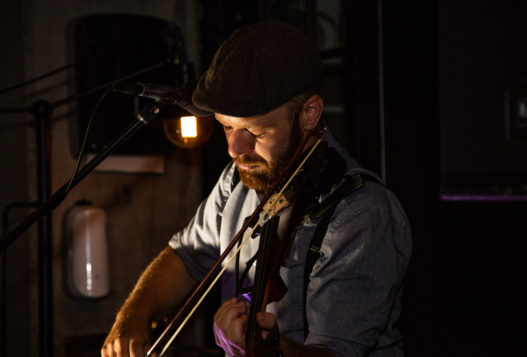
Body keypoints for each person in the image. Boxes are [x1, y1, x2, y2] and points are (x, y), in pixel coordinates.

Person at [101, 21, 412, 357]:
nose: (235, 149)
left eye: (256, 132)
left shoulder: (361, 213)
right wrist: (131, 318)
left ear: (309, 114)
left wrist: (267, 347)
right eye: (226, 127)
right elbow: (187, 256)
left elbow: (334, 353)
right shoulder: (237, 179)